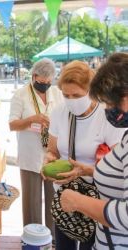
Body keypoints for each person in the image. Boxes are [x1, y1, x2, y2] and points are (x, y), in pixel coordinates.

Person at [42, 60, 126, 250]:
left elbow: (118, 165)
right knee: (64, 246)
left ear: (91, 90)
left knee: (90, 245)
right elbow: (52, 150)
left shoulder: (108, 116)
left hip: (95, 200)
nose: (71, 100)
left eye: (77, 95)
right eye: (66, 95)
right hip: (65, 195)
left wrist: (84, 172)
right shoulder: (59, 113)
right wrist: (49, 159)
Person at [9, 58, 63, 235]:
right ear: (34, 76)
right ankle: (33, 237)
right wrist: (32, 120)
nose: (46, 85)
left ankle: (53, 239)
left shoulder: (56, 93)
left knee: (53, 199)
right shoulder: (21, 95)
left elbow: (65, 117)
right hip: (30, 155)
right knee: (32, 202)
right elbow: (12, 125)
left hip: (52, 154)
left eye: (49, 82)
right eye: (42, 82)